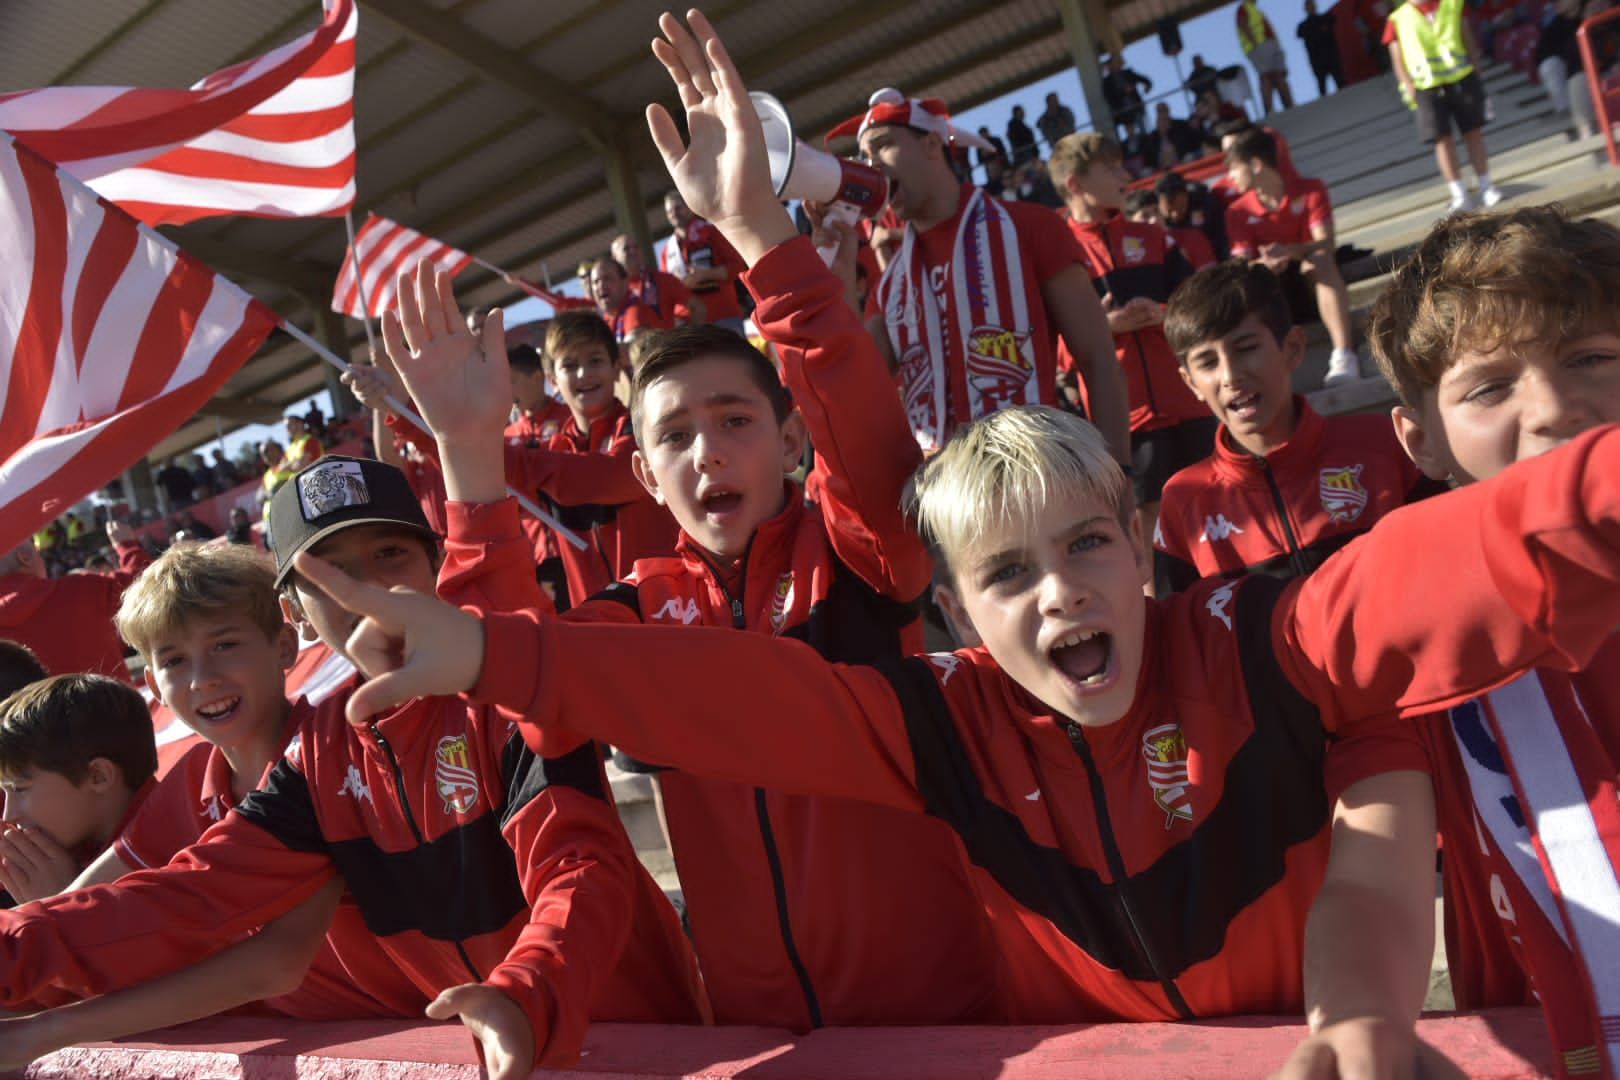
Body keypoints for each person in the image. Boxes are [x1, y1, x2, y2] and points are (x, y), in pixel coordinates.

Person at [311, 371, 1620, 1028]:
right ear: (950, 612)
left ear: (1141, 537)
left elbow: (1447, 566)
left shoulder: (1259, 640)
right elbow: (728, 695)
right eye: (1005, 572)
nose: (1057, 596)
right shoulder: (936, 717)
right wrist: (497, 656)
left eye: (1086, 546)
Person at [378, 15, 995, 1030]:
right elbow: (508, 675)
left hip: (946, 1019)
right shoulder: (631, 610)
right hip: (758, 1031)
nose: (708, 451)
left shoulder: (861, 554)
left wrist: (759, 231)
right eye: (677, 437)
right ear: (644, 477)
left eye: (736, 420)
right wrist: (466, 461)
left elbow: (869, 433)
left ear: (793, 441)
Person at [0, 452, 709, 1073]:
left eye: (390, 556)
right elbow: (179, 897)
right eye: (329, 572)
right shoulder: (314, 763)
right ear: (299, 612)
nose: (366, 589)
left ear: (437, 562)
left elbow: (581, 866)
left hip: (646, 1041)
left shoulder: (513, 690)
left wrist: (528, 991)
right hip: (491, 1046)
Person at [1277, 207, 1620, 1080]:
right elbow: (1371, 879)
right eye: (1489, 387)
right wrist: (1356, 1021)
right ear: (1417, 439)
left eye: (1591, 358)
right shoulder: (1401, 632)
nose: (1552, 409)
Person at [832, 86, 1129, 462]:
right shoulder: (890, 283)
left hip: (1036, 481)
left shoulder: (1031, 226)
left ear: (933, 144)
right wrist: (839, 269)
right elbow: (857, 385)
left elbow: (1098, 358)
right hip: (941, 501)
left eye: (883, 145)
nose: (870, 164)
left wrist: (1118, 474)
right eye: (864, 155)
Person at [351, 309, 680, 608]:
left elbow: (595, 479)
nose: (584, 373)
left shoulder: (642, 433)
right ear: (552, 378)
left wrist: (468, 441)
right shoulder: (554, 449)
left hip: (668, 609)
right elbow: (482, 471)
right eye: (569, 365)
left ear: (615, 367)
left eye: (594, 360)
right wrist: (399, 408)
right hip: (598, 621)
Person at [1154, 261, 1444, 595]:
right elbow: (1179, 633)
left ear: (1292, 348)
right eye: (1207, 362)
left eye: (1246, 348)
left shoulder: (1382, 446)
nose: (1230, 376)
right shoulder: (1184, 501)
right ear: (1191, 383)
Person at [1048, 133, 1214, 552]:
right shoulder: (1057, 255)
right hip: (1127, 424)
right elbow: (1052, 349)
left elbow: (1202, 311)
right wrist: (1105, 326)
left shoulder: (1155, 238)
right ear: (1076, 185)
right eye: (1111, 169)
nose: (1126, 176)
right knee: (1152, 547)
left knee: (1216, 522)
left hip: (1190, 403)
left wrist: (1162, 314)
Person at [0, 675, 157, 905]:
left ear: (98, 776)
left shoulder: (172, 851)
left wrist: (66, 905)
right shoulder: (74, 848)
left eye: (20, 789)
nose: (9, 816)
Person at [1223, 128, 1362, 385]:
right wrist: (1264, 264)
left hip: (1311, 280)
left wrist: (1289, 251)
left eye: (1233, 168)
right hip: (1274, 291)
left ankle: (1344, 353)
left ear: (1255, 165)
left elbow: (1327, 243)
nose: (1230, 178)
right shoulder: (1236, 211)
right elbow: (1240, 264)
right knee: (1250, 280)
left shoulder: (1310, 189)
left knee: (1320, 259)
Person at [1385, 0, 1503, 212]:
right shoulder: (1397, 18)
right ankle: (1459, 194)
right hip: (1426, 86)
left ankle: (1487, 187)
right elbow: (1397, 57)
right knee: (1442, 141)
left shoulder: (1453, 3)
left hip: (1461, 77)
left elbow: (1467, 37)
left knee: (1473, 134)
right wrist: (1408, 85)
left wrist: (1475, 70)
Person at [0, 521, 148, 683]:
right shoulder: (81, 588)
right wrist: (127, 545)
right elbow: (145, 585)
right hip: (116, 705)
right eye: (37, 551)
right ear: (24, 558)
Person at [660, 190, 749, 335]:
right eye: (669, 211)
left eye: (678, 208)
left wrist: (706, 274)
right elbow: (667, 290)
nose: (674, 214)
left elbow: (738, 266)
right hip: (690, 324)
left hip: (723, 316)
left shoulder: (712, 233)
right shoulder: (667, 250)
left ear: (689, 207)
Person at [611, 232, 705, 329]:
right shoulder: (611, 290)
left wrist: (693, 338)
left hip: (664, 342)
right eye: (626, 248)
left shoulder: (663, 280)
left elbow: (697, 307)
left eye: (636, 247)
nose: (633, 251)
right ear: (614, 258)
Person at [588, 257, 659, 358]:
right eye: (595, 282)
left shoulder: (635, 310)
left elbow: (633, 351)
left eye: (607, 278)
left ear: (625, 282)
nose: (601, 286)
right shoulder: (606, 320)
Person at [1238, 0, 1297, 113]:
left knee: (1279, 75)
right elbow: (1242, 23)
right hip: (1260, 46)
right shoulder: (1244, 7)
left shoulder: (1254, 9)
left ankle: (1290, 106)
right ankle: (1269, 110)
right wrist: (1256, 44)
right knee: (1266, 77)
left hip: (1270, 45)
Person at [1156, 172, 1227, 264]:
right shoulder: (1154, 218)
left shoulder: (1207, 203)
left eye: (1180, 208)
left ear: (1186, 195)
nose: (1175, 215)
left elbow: (1222, 236)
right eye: (1169, 212)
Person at [1298, 0, 1347, 95]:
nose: (1311, 8)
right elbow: (1299, 33)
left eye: (1312, 5)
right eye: (1309, 6)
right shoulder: (1303, 26)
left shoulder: (1325, 18)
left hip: (1331, 54)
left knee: (1339, 79)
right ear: (1305, 9)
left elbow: (1333, 19)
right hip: (1317, 58)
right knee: (1322, 85)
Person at [1102, 54, 1154, 136]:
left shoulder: (1128, 73)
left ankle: (1145, 138)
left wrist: (1147, 86)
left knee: (1142, 126)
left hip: (1135, 105)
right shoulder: (1107, 82)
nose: (1117, 65)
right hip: (1122, 109)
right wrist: (1123, 92)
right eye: (1114, 63)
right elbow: (1109, 97)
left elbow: (1144, 79)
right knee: (1130, 130)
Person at [1141, 103, 1202, 171]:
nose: (1162, 113)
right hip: (1161, 169)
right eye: (1160, 111)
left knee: (1189, 157)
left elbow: (1192, 143)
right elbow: (1149, 158)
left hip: (1182, 161)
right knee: (1146, 171)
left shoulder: (1181, 125)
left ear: (1168, 110)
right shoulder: (1152, 137)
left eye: (1164, 110)